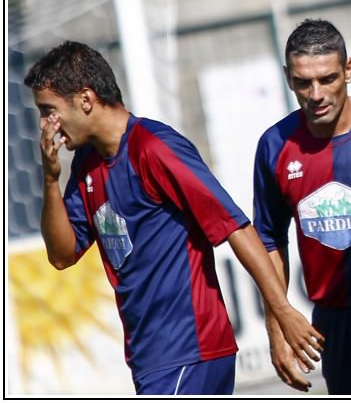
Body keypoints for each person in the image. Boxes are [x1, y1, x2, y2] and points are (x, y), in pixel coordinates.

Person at [24, 41, 323, 395]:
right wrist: (50, 179)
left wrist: (282, 311)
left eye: (49, 111)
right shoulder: (88, 166)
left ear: (85, 100)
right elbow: (61, 255)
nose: (46, 125)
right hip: (151, 357)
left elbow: (235, 226)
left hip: (190, 349)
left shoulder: (154, 147)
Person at [252, 19, 351, 394]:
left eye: (327, 79)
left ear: (348, 71)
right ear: (287, 78)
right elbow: (268, 239)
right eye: (302, 82)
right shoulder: (275, 146)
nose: (315, 93)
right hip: (336, 323)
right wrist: (275, 325)